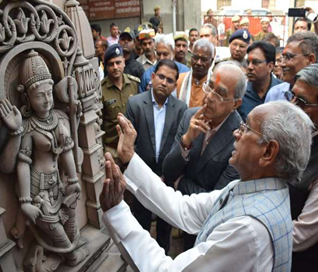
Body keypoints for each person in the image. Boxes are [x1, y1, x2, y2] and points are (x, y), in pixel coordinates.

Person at [100, 100, 313, 271]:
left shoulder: (249, 229)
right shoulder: (254, 189)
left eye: (246, 128)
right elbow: (183, 209)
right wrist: (130, 158)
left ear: (268, 152)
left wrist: (117, 211)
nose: (236, 133)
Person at [0, 50, 89, 266]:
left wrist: (74, 181)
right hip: (39, 194)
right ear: (26, 97)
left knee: (72, 231)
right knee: (70, 250)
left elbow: (67, 151)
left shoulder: (58, 118)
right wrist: (25, 202)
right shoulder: (28, 128)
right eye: (40, 96)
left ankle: (47, 256)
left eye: (49, 93)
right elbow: (22, 165)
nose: (47, 100)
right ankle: (59, 255)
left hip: (60, 187)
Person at [164, 62, 245, 250]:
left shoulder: (240, 138)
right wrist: (187, 139)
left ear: (236, 103)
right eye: (209, 87)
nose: (208, 97)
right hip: (181, 216)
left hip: (209, 231)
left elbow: (218, 202)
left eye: (219, 94)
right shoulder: (190, 116)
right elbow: (168, 171)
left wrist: (178, 183)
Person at [125, 59, 187, 254]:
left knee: (164, 227)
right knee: (141, 224)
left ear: (174, 85)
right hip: (141, 178)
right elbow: (129, 144)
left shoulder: (180, 109)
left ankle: (163, 261)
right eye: (161, 77)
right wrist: (144, 176)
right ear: (152, 77)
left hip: (166, 179)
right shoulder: (135, 103)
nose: (164, 83)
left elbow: (179, 145)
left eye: (170, 80)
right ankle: (141, 261)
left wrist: (167, 175)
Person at [285, 64, 318, 272]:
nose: (292, 106)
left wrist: (255, 237)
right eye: (292, 96)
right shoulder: (293, 133)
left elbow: (302, 235)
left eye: (303, 102)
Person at [101, 44, 139, 161]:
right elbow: (99, 124)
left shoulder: (135, 84)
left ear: (124, 62)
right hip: (112, 151)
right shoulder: (101, 90)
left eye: (118, 62)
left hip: (134, 149)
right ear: (106, 67)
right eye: (111, 64)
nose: (115, 67)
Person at [265, 31, 317, 102]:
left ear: (310, 59)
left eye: (288, 57)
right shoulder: (275, 94)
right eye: (283, 57)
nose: (282, 64)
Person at [238, 41, 282, 121]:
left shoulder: (284, 93)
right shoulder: (240, 93)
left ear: (270, 66)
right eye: (248, 62)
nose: (250, 67)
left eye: (256, 62)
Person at [176, 39, 215, 108]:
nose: (198, 63)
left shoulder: (215, 85)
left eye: (203, 59)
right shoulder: (179, 80)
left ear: (211, 61)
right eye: (195, 58)